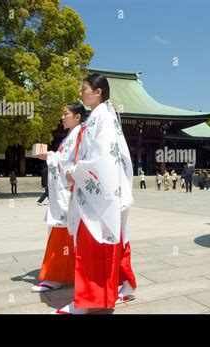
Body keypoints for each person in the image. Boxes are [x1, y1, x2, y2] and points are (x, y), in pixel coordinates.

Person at [62, 73, 137, 314]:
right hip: (101, 190)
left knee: (92, 245)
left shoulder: (102, 117)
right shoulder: (100, 116)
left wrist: (76, 171)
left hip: (98, 191)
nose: (81, 93)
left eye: (84, 89)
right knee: (104, 244)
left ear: (98, 92)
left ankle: (86, 300)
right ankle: (98, 295)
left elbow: (100, 157)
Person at [31, 103, 86, 293]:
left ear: (77, 117)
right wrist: (50, 156)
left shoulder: (80, 134)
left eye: (66, 114)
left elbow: (73, 162)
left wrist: (50, 156)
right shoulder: (70, 137)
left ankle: (55, 276)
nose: (62, 117)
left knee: (62, 232)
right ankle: (66, 274)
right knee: (67, 233)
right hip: (65, 190)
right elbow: (64, 159)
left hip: (70, 191)